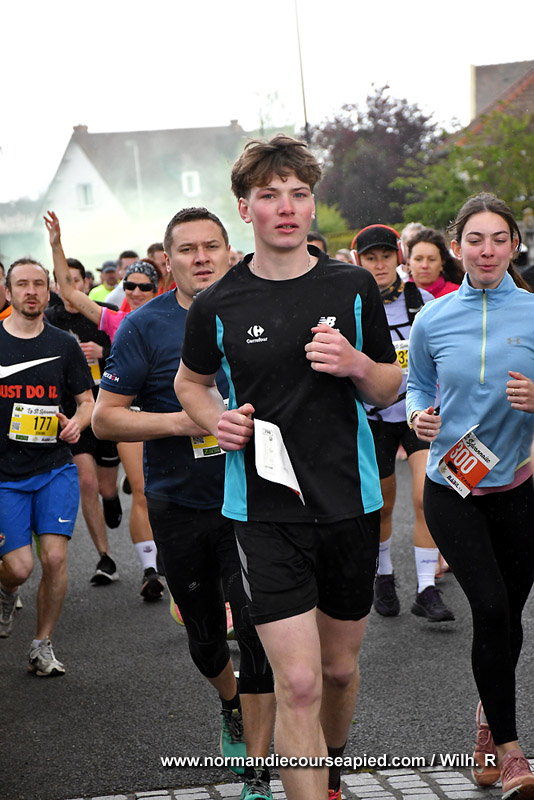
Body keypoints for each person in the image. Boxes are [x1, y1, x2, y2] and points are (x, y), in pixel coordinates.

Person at [175, 134, 402, 800]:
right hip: (264, 511)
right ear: (244, 208)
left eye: (298, 194)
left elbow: (389, 386)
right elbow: (191, 382)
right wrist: (216, 417)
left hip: (350, 504)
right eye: (269, 195)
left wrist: (355, 364)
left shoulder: (352, 286)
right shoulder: (218, 302)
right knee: (297, 683)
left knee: (337, 671)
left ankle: (331, 771)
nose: (286, 207)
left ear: (312, 205)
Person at [92, 206, 275, 800]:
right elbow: (105, 419)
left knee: (257, 628)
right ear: (168, 261)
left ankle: (258, 771)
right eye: (187, 249)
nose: (201, 258)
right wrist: (186, 421)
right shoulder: (144, 326)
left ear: (230, 251)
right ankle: (230, 702)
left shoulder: (261, 306)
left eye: (211, 246)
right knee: (205, 637)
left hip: (255, 501)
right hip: (180, 503)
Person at [406, 193, 534, 799]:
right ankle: (510, 750)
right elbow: (417, 385)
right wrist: (418, 416)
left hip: (519, 487)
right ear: (457, 247)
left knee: (509, 618)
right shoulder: (433, 318)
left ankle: (488, 717)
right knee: (489, 607)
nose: (487, 251)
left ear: (514, 245)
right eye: (475, 240)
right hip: (452, 486)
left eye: (499, 239)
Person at [44, 213, 164, 601]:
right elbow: (69, 291)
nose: (136, 291)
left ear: (158, 287)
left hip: (180, 415)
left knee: (182, 493)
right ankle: (150, 569)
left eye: (144, 286)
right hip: (134, 416)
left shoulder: (179, 315)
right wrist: (56, 245)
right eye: (130, 285)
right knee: (141, 491)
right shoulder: (116, 320)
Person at [352, 224, 454, 622]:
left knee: (426, 498)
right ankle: (384, 576)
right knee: (381, 507)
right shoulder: (351, 304)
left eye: (385, 256)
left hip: (420, 415)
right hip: (374, 418)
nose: (379, 265)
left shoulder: (422, 300)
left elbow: (443, 355)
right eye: (370, 258)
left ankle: (426, 587)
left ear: (398, 257)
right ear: (358, 260)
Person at [0, 258, 94, 675]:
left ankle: (42, 644)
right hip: (5, 475)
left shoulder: (64, 344)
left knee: (54, 559)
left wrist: (77, 424)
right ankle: (6, 590)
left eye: (39, 283)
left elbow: (88, 401)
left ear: (49, 290)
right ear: (8, 292)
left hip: (54, 467)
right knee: (19, 568)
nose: (31, 291)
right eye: (22, 284)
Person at [45, 256, 122, 584]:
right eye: (64, 282)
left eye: (75, 281)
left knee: (105, 486)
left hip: (107, 406)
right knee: (86, 481)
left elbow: (129, 354)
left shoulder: (103, 313)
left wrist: (102, 352)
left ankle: (112, 497)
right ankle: (105, 557)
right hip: (74, 411)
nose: (70, 287)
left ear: (85, 284)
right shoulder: (50, 320)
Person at [406, 228, 463, 298]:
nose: (425, 265)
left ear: (442, 263)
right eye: (418, 259)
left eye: (432, 260)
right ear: (408, 263)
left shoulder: (458, 295)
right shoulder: (398, 295)